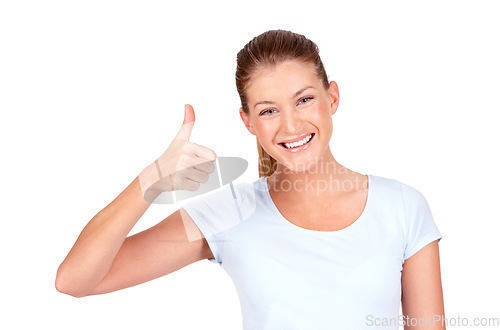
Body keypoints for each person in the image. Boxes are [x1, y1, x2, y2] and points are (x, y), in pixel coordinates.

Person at [56, 29, 445, 329]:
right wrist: (150, 183)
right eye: (269, 110)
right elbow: (76, 280)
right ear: (248, 122)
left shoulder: (402, 208)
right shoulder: (230, 213)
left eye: (305, 99)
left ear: (333, 98)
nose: (291, 125)